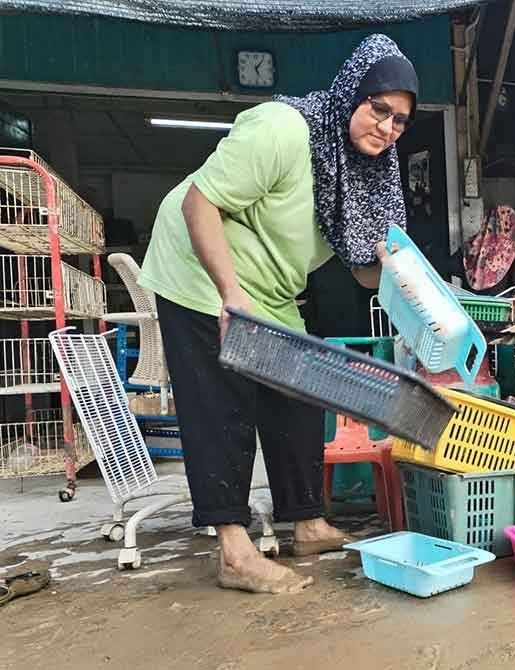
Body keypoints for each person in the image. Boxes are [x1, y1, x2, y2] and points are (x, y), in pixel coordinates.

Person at [138, 34, 419, 593]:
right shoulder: (284, 130)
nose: (387, 128)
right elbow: (201, 201)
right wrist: (229, 293)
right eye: (378, 109)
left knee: (298, 387)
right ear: (351, 96)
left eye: (401, 121)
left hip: (271, 286)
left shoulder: (367, 178)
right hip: (201, 268)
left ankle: (307, 520)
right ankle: (233, 549)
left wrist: (409, 281)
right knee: (222, 400)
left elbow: (365, 267)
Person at [449, 205, 515, 295]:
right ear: (510, 224)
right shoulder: (513, 250)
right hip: (499, 306)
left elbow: (450, 268)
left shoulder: (469, 245)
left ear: (487, 219)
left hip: (470, 304)